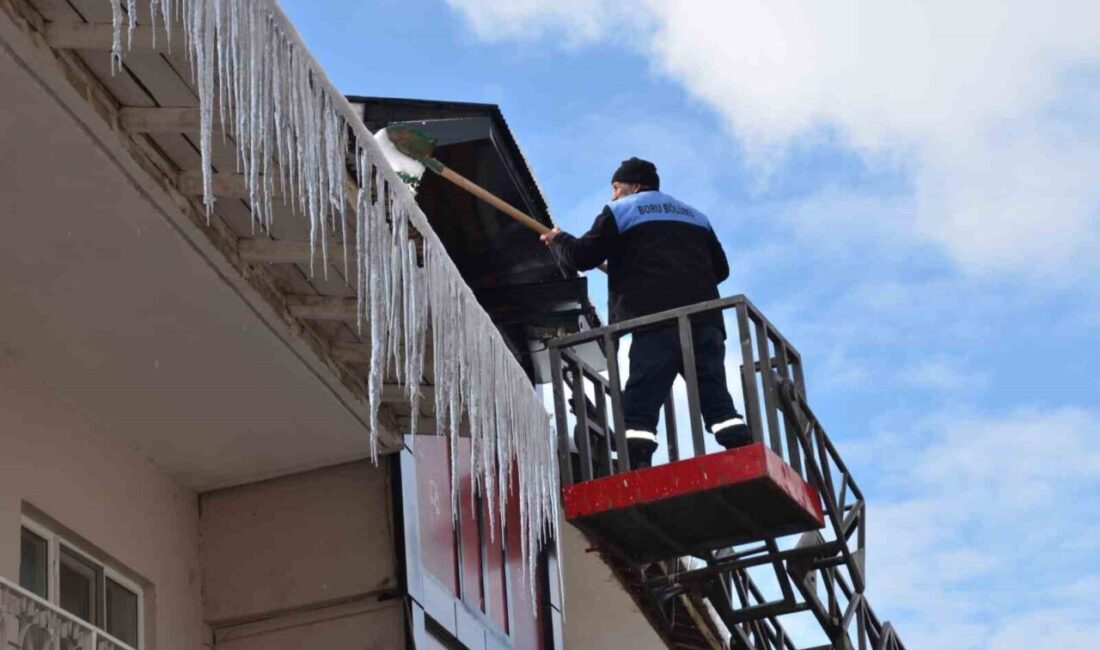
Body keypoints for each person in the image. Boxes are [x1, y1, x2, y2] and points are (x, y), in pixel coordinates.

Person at [541, 157, 752, 469]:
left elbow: (583, 257)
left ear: (635, 186)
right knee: (715, 394)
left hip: (655, 322)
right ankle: (742, 452)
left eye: (616, 187)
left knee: (641, 399)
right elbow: (720, 270)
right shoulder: (696, 216)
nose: (612, 195)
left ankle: (637, 466)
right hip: (705, 322)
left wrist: (559, 240)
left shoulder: (622, 210)